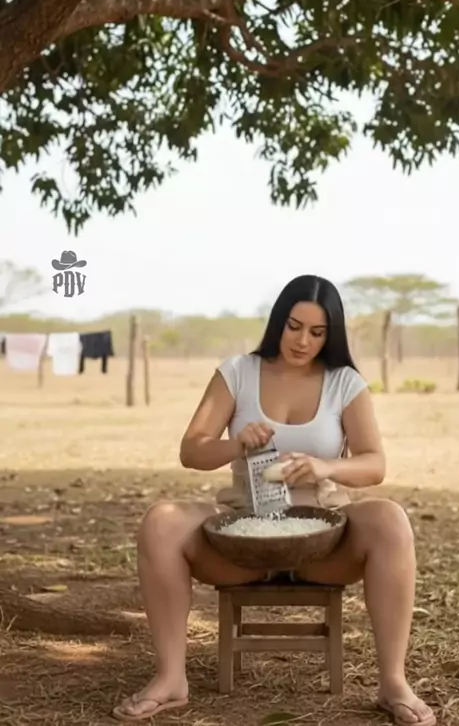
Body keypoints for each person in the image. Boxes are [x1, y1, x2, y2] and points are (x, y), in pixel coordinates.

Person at [113, 274, 436, 726]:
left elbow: (374, 464)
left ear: (331, 335)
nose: (303, 341)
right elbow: (192, 451)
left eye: (317, 332)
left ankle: (393, 683)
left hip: (325, 542)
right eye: (294, 326)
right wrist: (236, 444)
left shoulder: (344, 383)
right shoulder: (237, 373)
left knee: (390, 519)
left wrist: (326, 467)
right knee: (161, 520)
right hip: (241, 538)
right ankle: (170, 678)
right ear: (278, 322)